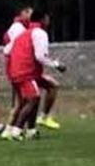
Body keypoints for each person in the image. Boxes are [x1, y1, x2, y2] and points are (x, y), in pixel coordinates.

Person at [4, 9, 66, 141]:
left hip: (21, 71)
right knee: (33, 98)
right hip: (26, 72)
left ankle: (32, 129)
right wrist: (57, 65)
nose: (49, 21)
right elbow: (40, 56)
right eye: (47, 18)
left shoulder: (24, 33)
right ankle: (16, 131)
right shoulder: (39, 33)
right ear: (43, 19)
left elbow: (6, 49)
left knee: (51, 86)